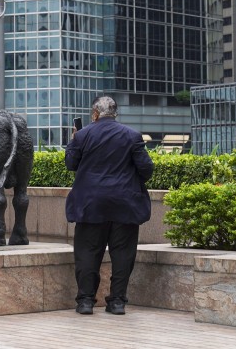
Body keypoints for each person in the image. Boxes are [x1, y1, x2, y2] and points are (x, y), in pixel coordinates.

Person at [65, 95, 154, 316]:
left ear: (95, 113)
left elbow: (70, 164)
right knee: (123, 255)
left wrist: (73, 140)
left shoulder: (83, 135)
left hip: (90, 205)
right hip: (124, 205)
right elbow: (147, 169)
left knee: (87, 254)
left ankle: (85, 301)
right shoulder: (132, 136)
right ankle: (117, 303)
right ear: (115, 113)